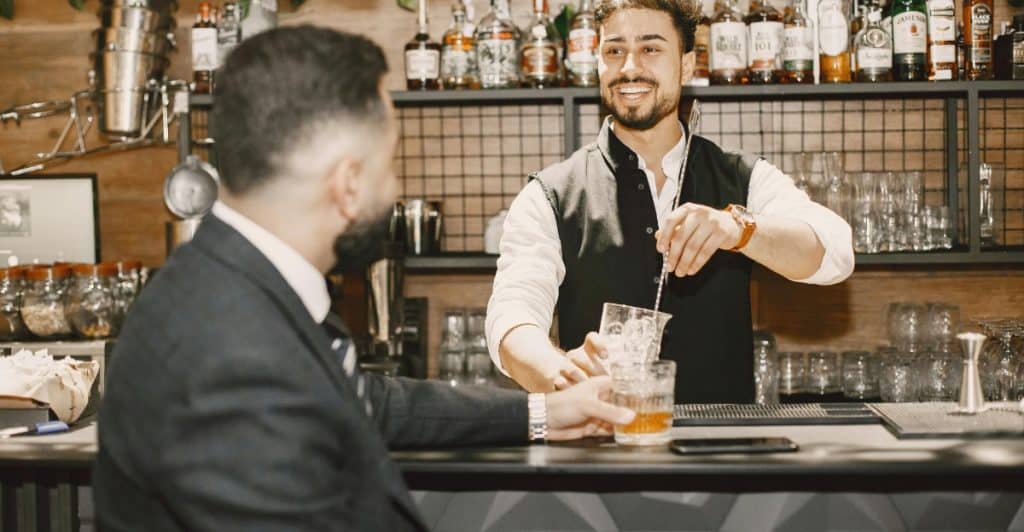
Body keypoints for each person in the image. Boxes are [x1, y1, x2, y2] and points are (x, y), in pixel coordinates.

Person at [93, 27, 635, 532]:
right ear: (349, 184)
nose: (395, 187)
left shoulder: (238, 287)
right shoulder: (228, 356)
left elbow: (369, 402)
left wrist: (542, 413)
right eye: (391, 163)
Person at [486, 0, 854, 403]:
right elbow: (511, 320)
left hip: (723, 447)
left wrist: (738, 229)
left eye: (650, 48)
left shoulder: (743, 178)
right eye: (614, 50)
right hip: (602, 449)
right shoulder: (551, 194)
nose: (629, 67)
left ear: (687, 65)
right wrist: (563, 375)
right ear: (597, 64)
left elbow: (833, 253)